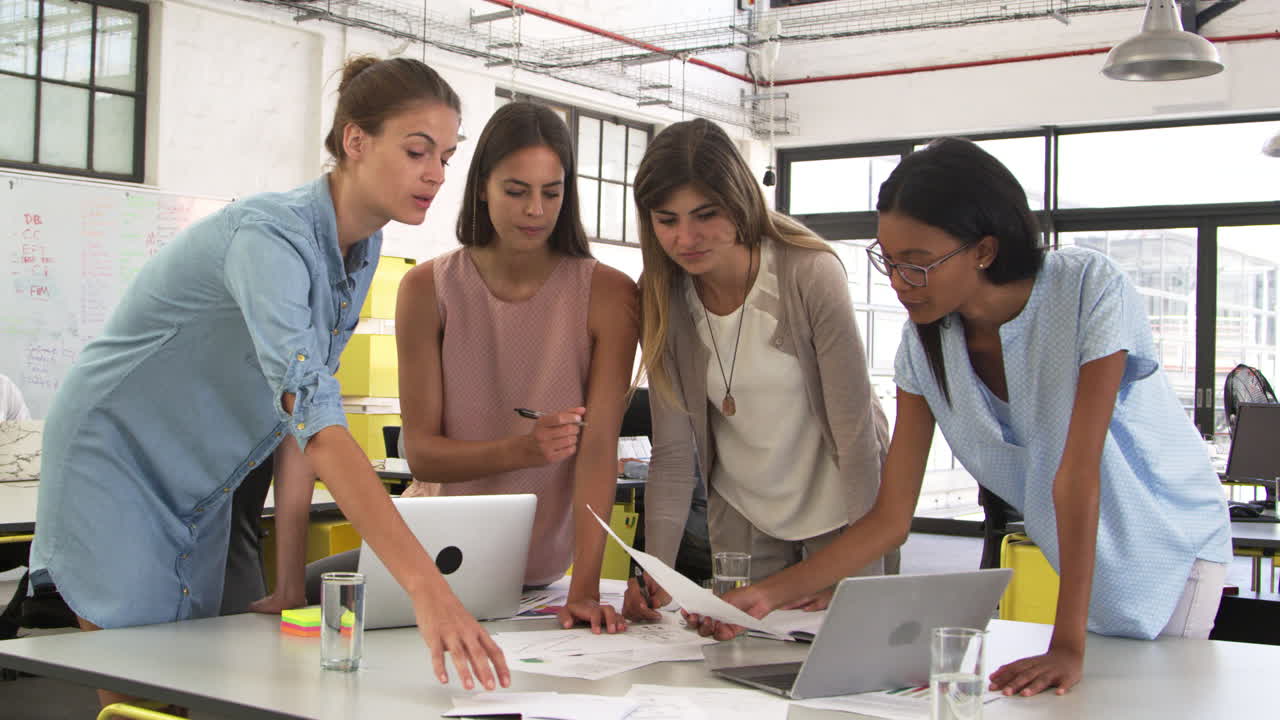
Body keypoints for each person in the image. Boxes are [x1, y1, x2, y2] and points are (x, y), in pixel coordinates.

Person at [28, 56, 510, 714]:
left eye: (448, 156)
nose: (437, 174)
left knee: (188, 681)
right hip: (113, 460)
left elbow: (299, 421)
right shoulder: (270, 238)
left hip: (197, 483)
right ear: (356, 140)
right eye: (418, 150)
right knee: (145, 684)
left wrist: (288, 580)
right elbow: (318, 423)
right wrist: (428, 588)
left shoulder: (359, 250)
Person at [709, 138, 1231, 697]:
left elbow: (1077, 476)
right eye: (888, 260)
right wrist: (768, 594)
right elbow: (890, 519)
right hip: (1085, 567)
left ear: (983, 250)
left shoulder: (1087, 288)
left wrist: (1066, 644)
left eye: (918, 264)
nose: (898, 282)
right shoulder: (924, 344)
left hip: (1173, 553)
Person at [620, 118, 891, 625]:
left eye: (706, 215)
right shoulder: (663, 295)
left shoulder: (807, 272)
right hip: (744, 510)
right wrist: (655, 571)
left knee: (841, 653)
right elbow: (675, 454)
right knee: (738, 655)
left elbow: (857, 441)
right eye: (667, 219)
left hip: (842, 505)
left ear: (740, 202)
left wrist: (863, 577)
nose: (686, 237)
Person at [394, 101, 638, 633]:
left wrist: (586, 588)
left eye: (552, 193)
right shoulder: (426, 289)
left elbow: (598, 453)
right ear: (482, 186)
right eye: (516, 190)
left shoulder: (610, 294)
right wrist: (522, 450)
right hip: (435, 558)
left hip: (546, 569)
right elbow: (421, 454)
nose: (535, 210)